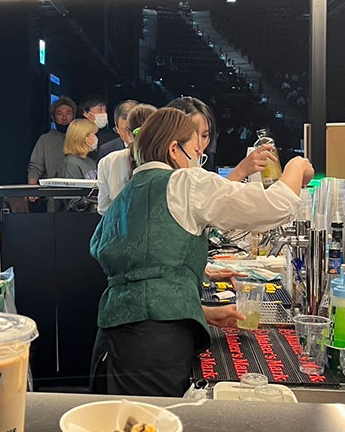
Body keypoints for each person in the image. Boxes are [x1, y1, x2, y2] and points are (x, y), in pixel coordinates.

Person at [90, 108, 313, 397]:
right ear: (174, 149)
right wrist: (297, 165)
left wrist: (202, 312)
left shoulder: (127, 195)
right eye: (196, 152)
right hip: (154, 347)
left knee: (121, 422)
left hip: (110, 340)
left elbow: (145, 271)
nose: (198, 160)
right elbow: (275, 207)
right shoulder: (184, 182)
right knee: (156, 422)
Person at [96, 97, 277, 214]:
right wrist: (241, 171)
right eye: (191, 135)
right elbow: (209, 205)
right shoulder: (167, 177)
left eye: (204, 135)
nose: (198, 145)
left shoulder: (193, 169)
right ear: (170, 134)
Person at [97, 103, 156, 214]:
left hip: (118, 222)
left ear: (129, 132)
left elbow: (103, 208)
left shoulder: (109, 160)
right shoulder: (168, 157)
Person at [27, 95, 76, 184]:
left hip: (79, 189)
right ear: (53, 117)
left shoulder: (82, 137)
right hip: (52, 189)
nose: (64, 118)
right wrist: (31, 188)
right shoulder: (45, 139)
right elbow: (35, 168)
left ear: (74, 116)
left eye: (68, 113)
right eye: (59, 114)